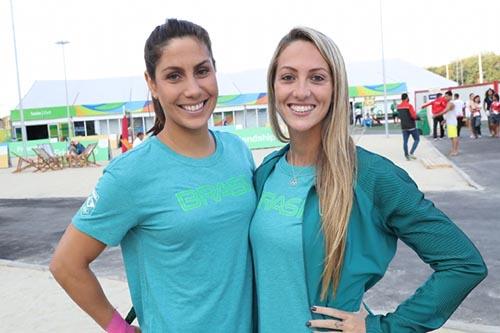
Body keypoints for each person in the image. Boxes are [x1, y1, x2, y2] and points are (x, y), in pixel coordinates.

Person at [250, 26, 487, 332]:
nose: (301, 91)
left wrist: (380, 328)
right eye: (288, 77)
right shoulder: (267, 171)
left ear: (336, 88)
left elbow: (462, 264)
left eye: (318, 77)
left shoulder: (371, 176)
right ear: (274, 88)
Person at [50, 19, 256, 333]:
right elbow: (66, 264)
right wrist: (119, 328)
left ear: (216, 71)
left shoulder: (237, 151)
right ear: (153, 84)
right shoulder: (130, 173)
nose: (193, 89)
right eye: (174, 76)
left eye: (202, 71)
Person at [397, 93, 420, 160]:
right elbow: (413, 116)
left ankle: (407, 156)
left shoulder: (398, 106)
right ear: (407, 98)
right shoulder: (409, 106)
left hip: (404, 127)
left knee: (405, 142)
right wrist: (419, 118)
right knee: (417, 139)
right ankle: (411, 153)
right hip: (411, 126)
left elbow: (399, 116)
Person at [436, 91, 459, 156]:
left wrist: (436, 115)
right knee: (452, 137)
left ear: (450, 96)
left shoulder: (451, 103)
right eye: (445, 96)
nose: (445, 97)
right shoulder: (449, 103)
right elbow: (449, 113)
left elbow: (445, 111)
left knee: (454, 137)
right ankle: (454, 149)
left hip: (452, 122)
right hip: (450, 121)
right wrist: (445, 120)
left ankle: (455, 150)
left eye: (446, 96)